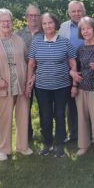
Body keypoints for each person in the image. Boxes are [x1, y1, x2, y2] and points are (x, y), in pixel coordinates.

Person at [0, 8, 33, 161]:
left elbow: (27, 60)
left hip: (21, 85)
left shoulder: (18, 39)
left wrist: (29, 80)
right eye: (2, 21)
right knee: (5, 118)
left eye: (8, 21)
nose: (6, 23)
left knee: (23, 116)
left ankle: (22, 146)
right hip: (3, 86)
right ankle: (3, 149)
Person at [26, 12, 77, 158]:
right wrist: (29, 83)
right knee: (45, 115)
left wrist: (74, 84)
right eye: (44, 23)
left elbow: (72, 62)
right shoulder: (36, 41)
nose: (48, 26)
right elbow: (31, 63)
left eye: (50, 23)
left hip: (62, 86)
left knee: (60, 115)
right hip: (42, 87)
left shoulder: (64, 41)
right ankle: (47, 143)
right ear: (41, 26)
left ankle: (59, 144)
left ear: (56, 24)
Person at [70, 17, 94, 158]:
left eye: (88, 28)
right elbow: (75, 67)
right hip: (81, 88)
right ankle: (84, 145)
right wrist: (73, 78)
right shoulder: (80, 48)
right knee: (82, 118)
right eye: (82, 29)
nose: (85, 31)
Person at [59, 0, 86, 143]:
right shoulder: (63, 27)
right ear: (69, 13)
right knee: (71, 102)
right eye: (73, 11)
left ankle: (89, 134)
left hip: (88, 67)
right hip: (69, 68)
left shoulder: (89, 23)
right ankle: (74, 134)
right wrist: (71, 70)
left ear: (83, 11)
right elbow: (60, 47)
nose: (76, 13)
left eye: (79, 10)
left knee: (87, 102)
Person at [16, 4, 41, 141]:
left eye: (36, 15)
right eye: (30, 15)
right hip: (24, 76)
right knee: (25, 106)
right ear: (26, 17)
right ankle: (27, 134)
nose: (33, 18)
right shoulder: (18, 35)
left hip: (43, 75)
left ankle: (45, 132)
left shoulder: (45, 33)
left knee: (44, 106)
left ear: (40, 17)